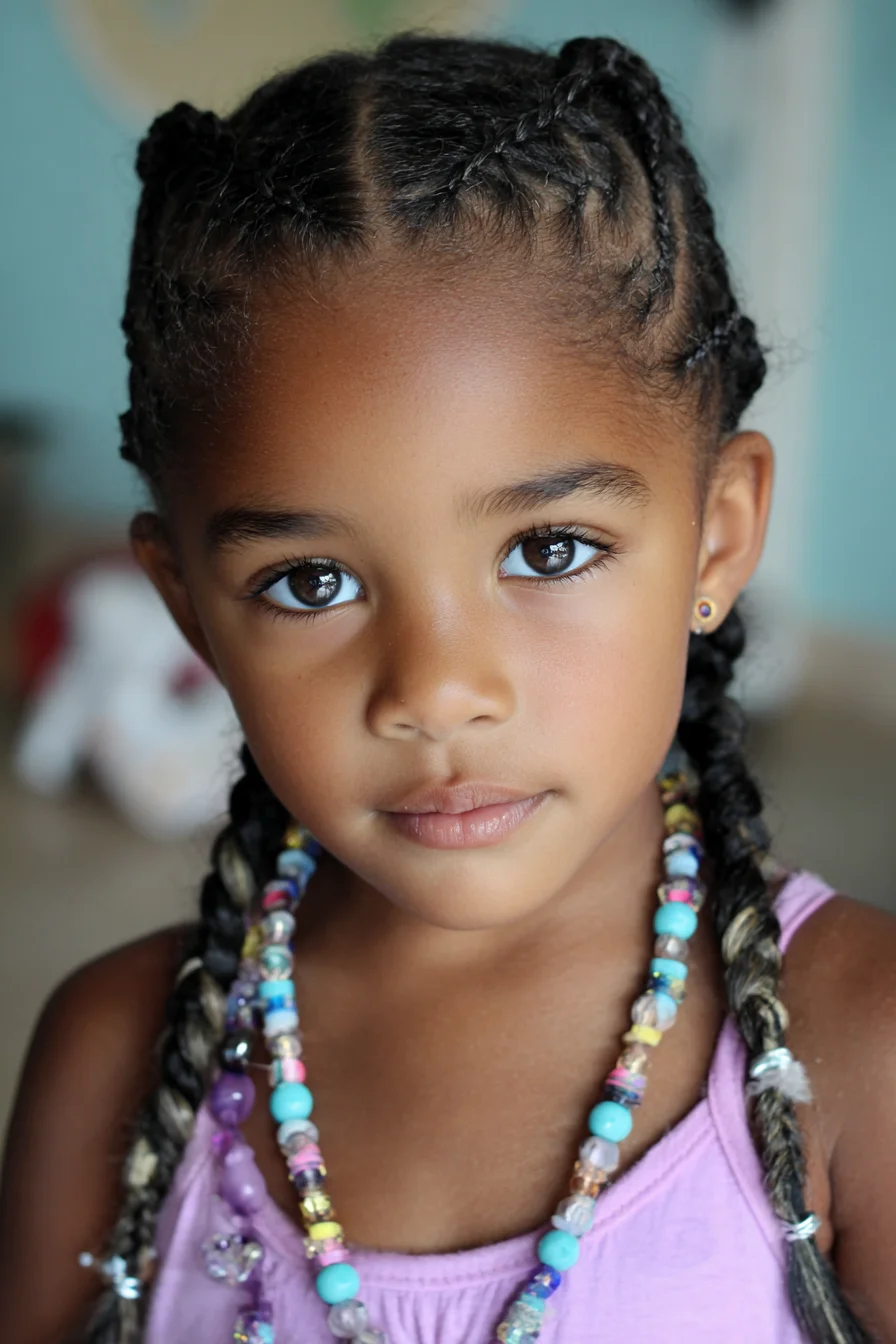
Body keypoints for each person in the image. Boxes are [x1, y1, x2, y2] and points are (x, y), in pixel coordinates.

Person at [1, 30, 893, 1344]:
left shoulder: (856, 1049)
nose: (438, 689)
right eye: (310, 583)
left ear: (716, 537)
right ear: (187, 602)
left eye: (548, 550)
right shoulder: (115, 1064)